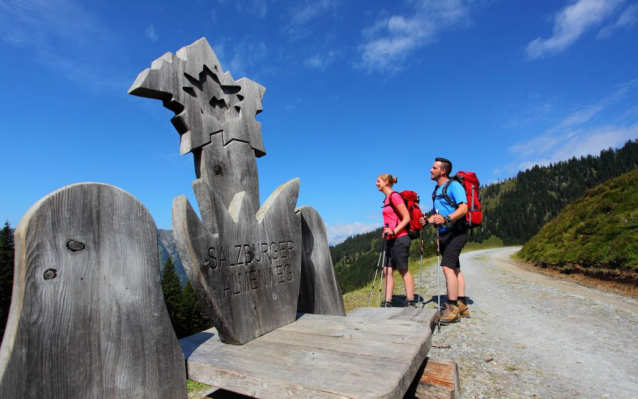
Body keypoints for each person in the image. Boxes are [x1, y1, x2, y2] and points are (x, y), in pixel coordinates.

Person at [419, 158, 469, 324]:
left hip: (457, 232)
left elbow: (463, 208)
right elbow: (438, 215)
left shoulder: (454, 186)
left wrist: (447, 219)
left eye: (433, 168)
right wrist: (427, 221)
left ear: (443, 171)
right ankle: (462, 305)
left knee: (447, 267)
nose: (430, 170)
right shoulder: (437, 190)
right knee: (455, 268)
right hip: (446, 233)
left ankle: (452, 308)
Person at [376, 173, 416, 308]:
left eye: (378, 181)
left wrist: (394, 231)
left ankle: (410, 300)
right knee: (387, 270)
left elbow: (406, 218)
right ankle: (388, 301)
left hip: (400, 238)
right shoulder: (387, 199)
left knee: (403, 269)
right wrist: (387, 231)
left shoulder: (395, 196)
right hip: (390, 238)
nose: (376, 184)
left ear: (386, 182)